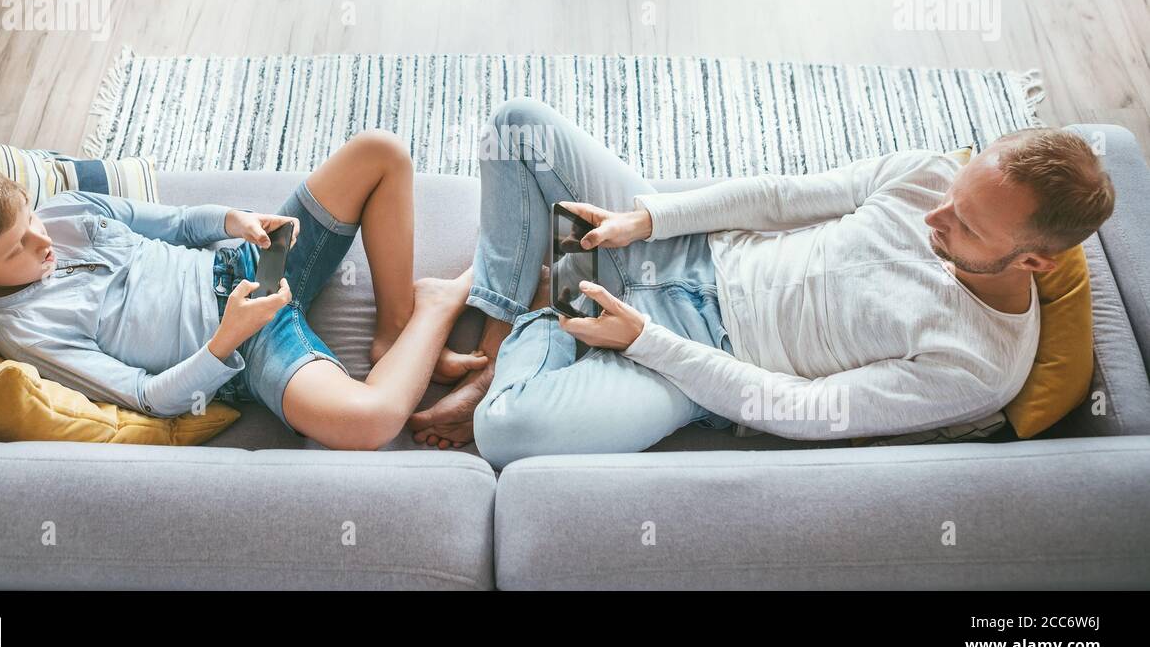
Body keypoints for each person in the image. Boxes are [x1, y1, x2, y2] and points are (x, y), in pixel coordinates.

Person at [409, 97, 1115, 468]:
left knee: (505, 431)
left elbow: (804, 407)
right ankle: (508, 329)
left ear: (1034, 262)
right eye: (953, 193)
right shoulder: (930, 173)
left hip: (693, 368)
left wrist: (646, 339)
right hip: (687, 253)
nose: (935, 215)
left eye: (965, 226)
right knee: (519, 126)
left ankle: (547, 312)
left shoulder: (979, 366)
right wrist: (645, 220)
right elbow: (779, 197)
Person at [0, 130, 486, 449]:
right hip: (246, 349)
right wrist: (224, 344)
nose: (42, 242)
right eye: (14, 247)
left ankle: (393, 328)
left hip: (251, 262)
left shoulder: (66, 211)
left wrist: (235, 221)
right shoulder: (28, 333)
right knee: (370, 422)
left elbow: (173, 223)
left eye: (30, 221)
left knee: (378, 151)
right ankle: (436, 302)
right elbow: (148, 398)